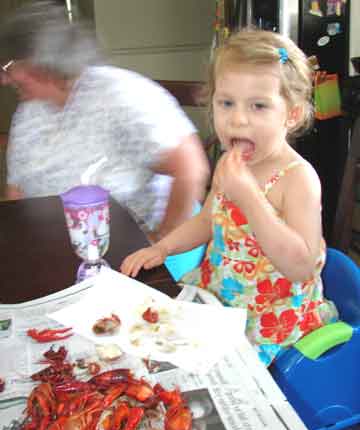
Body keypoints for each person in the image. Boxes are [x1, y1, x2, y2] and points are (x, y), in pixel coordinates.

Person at [121, 29, 339, 366]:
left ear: (291, 114)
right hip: (220, 299)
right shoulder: (228, 164)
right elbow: (207, 221)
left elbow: (300, 266)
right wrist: (162, 247)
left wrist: (250, 198)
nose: (237, 118)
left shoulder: (298, 178)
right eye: (226, 103)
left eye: (258, 105)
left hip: (271, 320)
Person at [0, 1, 210, 240]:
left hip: (126, 247)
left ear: (41, 62)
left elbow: (191, 169)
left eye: (9, 67)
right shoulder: (28, 111)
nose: (4, 80)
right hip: (54, 246)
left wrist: (160, 243)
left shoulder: (120, 95)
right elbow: (15, 194)